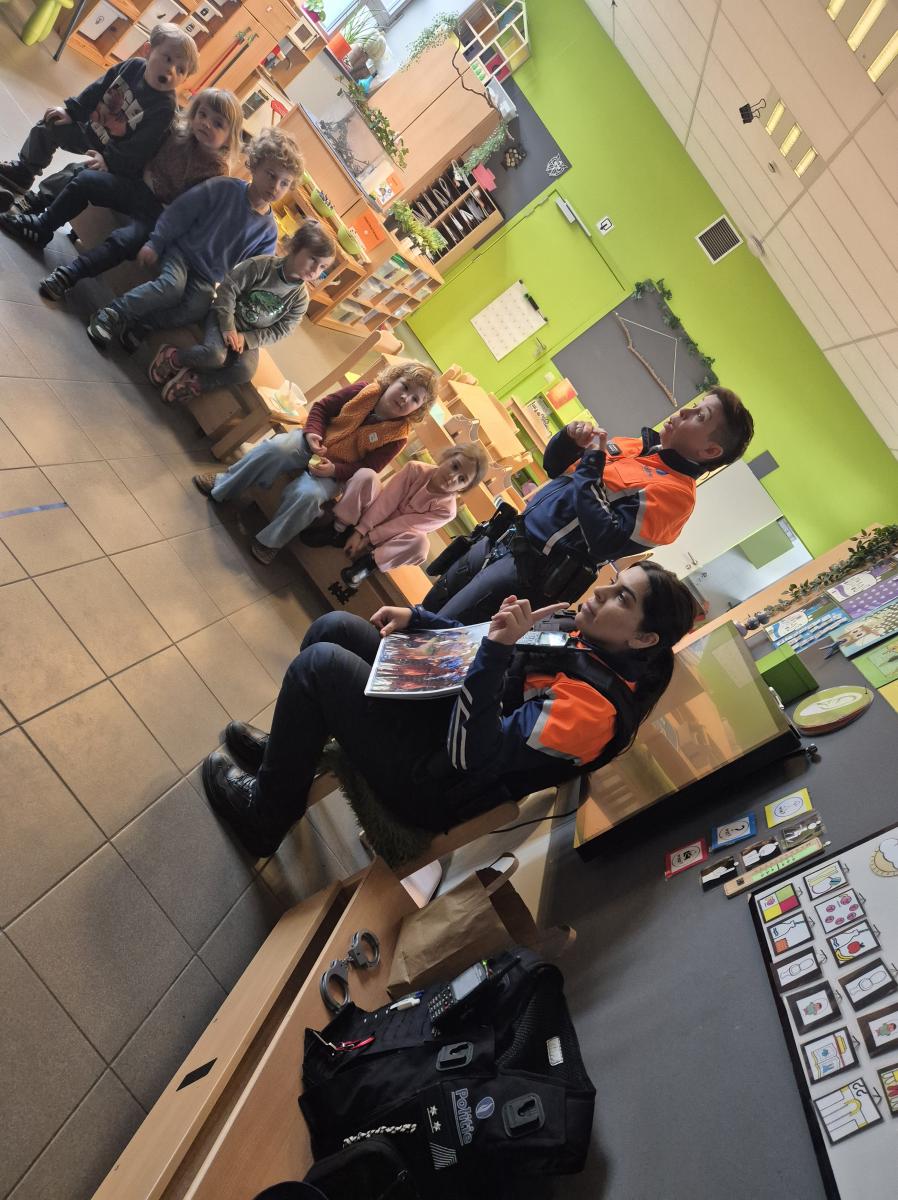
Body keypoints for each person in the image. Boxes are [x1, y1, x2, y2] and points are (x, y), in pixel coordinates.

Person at [199, 560, 698, 855]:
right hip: (440, 723)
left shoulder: (592, 712)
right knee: (337, 627)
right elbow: (475, 645)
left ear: (644, 639)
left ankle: (266, 815)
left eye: (622, 599)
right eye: (613, 580)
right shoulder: (578, 633)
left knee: (320, 666)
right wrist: (419, 619)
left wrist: (498, 649)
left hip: (435, 784)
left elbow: (470, 756)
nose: (601, 592)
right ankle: (285, 762)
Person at [423, 388, 755, 623]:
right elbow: (556, 469)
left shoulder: (676, 497)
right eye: (694, 405)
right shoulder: (637, 447)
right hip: (502, 537)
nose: (683, 412)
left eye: (699, 416)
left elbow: (606, 539)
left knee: (439, 633)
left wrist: (593, 462)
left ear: (710, 451)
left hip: (526, 571)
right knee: (426, 608)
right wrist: (568, 440)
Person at [2, 88, 242, 299]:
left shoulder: (218, 172)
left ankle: (71, 274)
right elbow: (139, 148)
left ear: (229, 137)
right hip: (136, 186)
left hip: (159, 214)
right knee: (85, 180)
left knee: (126, 240)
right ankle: (42, 228)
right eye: (203, 114)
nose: (206, 124)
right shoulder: (176, 132)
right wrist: (110, 160)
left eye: (218, 124)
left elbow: (195, 210)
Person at [191, 361, 438, 564]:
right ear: (392, 379)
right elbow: (321, 408)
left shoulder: (397, 437)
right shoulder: (364, 390)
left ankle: (270, 541)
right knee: (275, 449)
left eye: (415, 399)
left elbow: (367, 469)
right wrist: (313, 433)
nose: (405, 397)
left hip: (337, 473)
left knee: (308, 496)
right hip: (310, 441)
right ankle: (224, 483)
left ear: (417, 410)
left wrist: (335, 470)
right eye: (404, 386)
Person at [85, 127, 303, 351]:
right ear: (254, 166)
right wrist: (156, 242)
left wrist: (234, 309)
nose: (276, 186)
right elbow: (181, 211)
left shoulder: (269, 232)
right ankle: (112, 313)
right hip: (182, 253)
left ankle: (143, 324)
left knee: (196, 308)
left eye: (285, 183)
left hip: (207, 277)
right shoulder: (224, 187)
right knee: (171, 287)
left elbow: (253, 273)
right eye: (271, 175)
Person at [0, 23, 196, 206]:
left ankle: (34, 203)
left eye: (181, 70)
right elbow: (98, 88)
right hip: (90, 129)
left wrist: (109, 162)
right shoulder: (132, 66)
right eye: (167, 59)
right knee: (49, 125)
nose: (171, 70)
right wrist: (72, 112)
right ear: (148, 50)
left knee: (74, 174)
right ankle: (24, 172)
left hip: (112, 156)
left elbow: (139, 146)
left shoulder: (165, 107)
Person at [147, 219, 336, 404]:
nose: (315, 270)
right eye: (313, 259)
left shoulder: (300, 299)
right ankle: (174, 357)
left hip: (248, 336)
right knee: (215, 355)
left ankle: (197, 382)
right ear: (295, 247)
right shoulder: (261, 266)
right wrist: (228, 327)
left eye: (323, 267)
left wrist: (248, 339)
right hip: (223, 318)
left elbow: (282, 330)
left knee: (245, 371)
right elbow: (227, 289)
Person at [301, 441, 489, 589]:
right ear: (446, 458)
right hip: (370, 515)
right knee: (367, 475)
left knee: (421, 545)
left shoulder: (447, 510)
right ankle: (337, 529)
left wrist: (368, 539)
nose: (453, 477)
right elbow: (387, 501)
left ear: (464, 488)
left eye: (462, 479)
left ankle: (367, 564)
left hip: (390, 539)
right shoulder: (415, 469)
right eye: (455, 466)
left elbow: (407, 525)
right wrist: (360, 531)